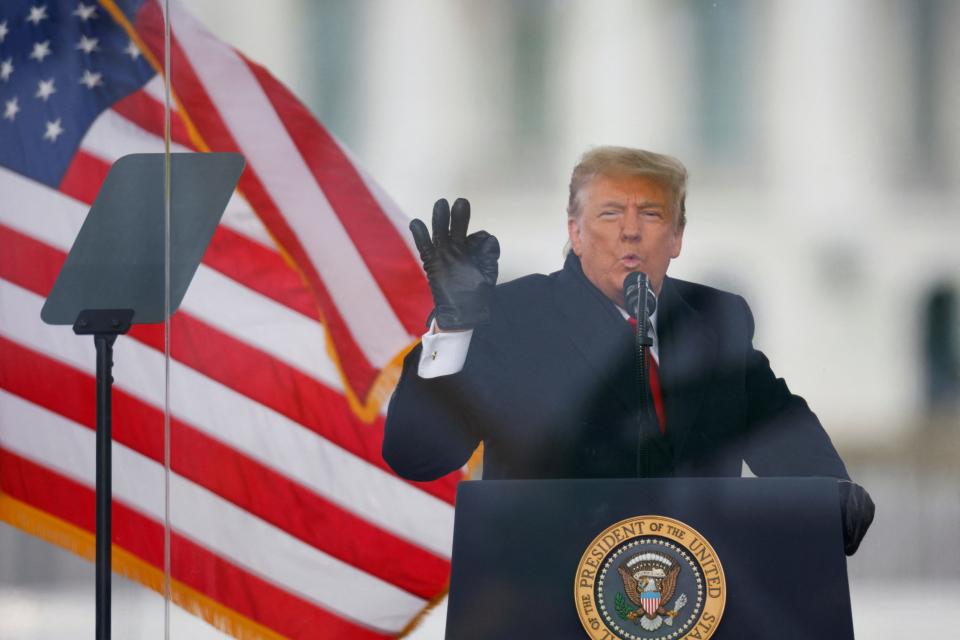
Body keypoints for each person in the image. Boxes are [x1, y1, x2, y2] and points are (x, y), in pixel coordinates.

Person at [382, 146, 873, 554]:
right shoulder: (512, 316)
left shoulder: (717, 319)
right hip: (546, 603)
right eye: (611, 213)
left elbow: (777, 424)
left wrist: (828, 492)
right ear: (575, 232)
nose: (631, 231)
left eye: (652, 214)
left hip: (698, 603)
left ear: (677, 236)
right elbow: (418, 455)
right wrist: (452, 327)